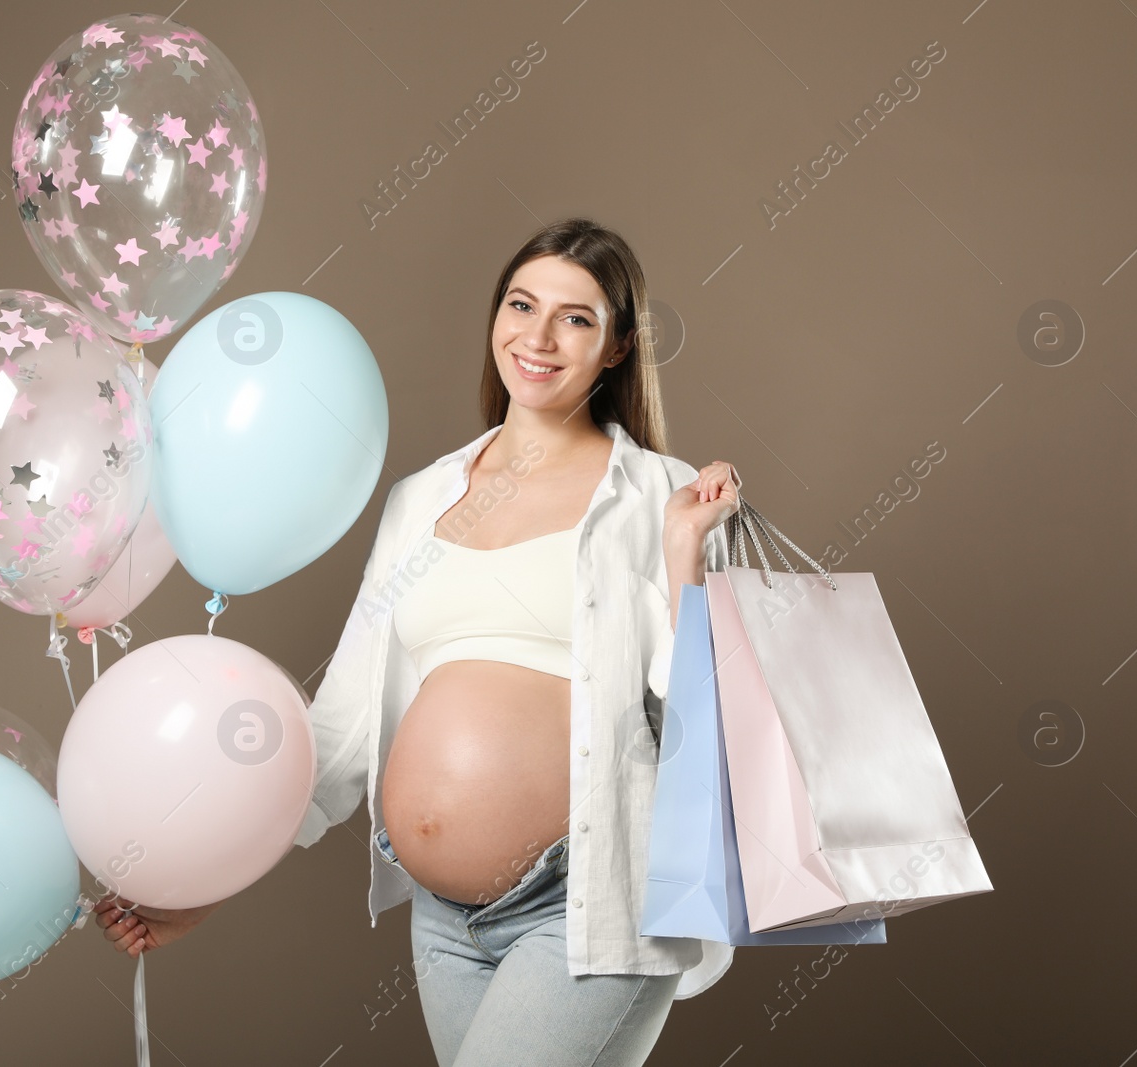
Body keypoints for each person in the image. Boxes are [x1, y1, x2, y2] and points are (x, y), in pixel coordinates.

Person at [95, 217, 740, 1065]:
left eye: (576, 318)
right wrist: (205, 890)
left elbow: (705, 717)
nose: (538, 337)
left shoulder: (664, 496)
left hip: (589, 901)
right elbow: (341, 729)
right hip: (443, 922)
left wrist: (689, 558)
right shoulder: (421, 499)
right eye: (521, 304)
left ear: (617, 346)